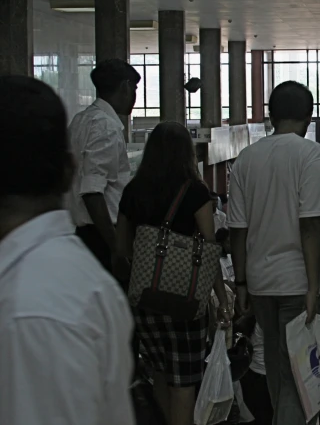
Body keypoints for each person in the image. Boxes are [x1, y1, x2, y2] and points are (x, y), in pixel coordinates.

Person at [0, 75, 134, 424]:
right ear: (66, 171)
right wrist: (117, 246)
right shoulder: (70, 287)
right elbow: (93, 190)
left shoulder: (30, 309)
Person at [116, 121, 231, 425]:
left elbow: (121, 246)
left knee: (160, 375)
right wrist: (221, 299)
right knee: (184, 381)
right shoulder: (194, 191)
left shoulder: (133, 190)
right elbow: (209, 250)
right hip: (185, 302)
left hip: (144, 299)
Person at [229, 81, 320, 425]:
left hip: (259, 284)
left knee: (276, 368)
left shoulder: (246, 158)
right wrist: (314, 286)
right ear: (308, 115)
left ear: (270, 115)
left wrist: (241, 284)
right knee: (301, 375)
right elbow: (311, 225)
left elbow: (237, 230)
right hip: (297, 282)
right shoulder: (310, 154)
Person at [66, 59, 140, 271]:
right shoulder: (106, 126)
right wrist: (116, 247)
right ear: (125, 86)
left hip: (82, 232)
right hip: (100, 235)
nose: (134, 96)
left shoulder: (80, 120)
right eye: (134, 88)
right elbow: (92, 192)